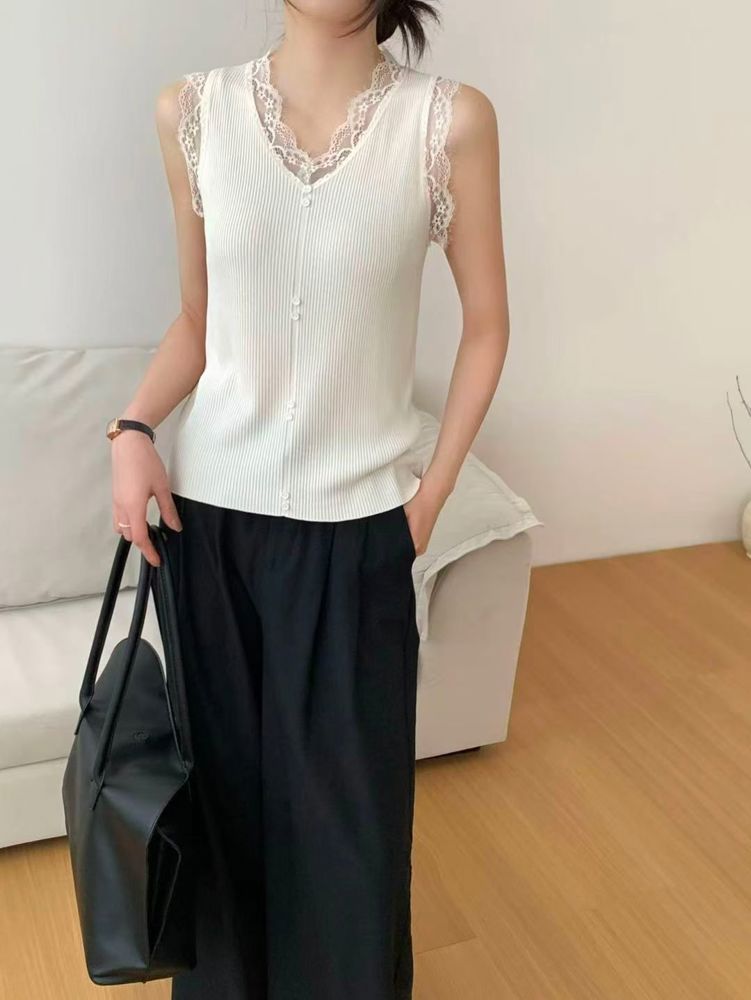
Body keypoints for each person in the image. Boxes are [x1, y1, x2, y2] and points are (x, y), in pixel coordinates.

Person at [107, 1, 509, 996]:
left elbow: (487, 326)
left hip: (358, 536)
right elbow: (197, 321)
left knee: (349, 840)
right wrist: (132, 430)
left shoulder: (446, 122)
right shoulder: (190, 112)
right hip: (207, 532)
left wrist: (428, 499)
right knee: (222, 822)